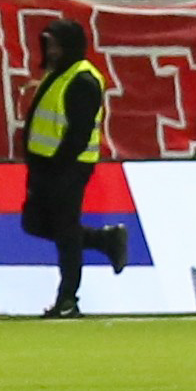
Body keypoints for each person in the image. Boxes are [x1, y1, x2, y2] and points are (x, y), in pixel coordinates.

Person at [22, 19, 126, 317]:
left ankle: (68, 298)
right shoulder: (59, 74)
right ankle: (103, 239)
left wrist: (58, 166)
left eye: (54, 44)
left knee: (65, 232)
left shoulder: (82, 79)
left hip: (67, 167)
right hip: (46, 165)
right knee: (36, 223)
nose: (50, 50)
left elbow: (78, 132)